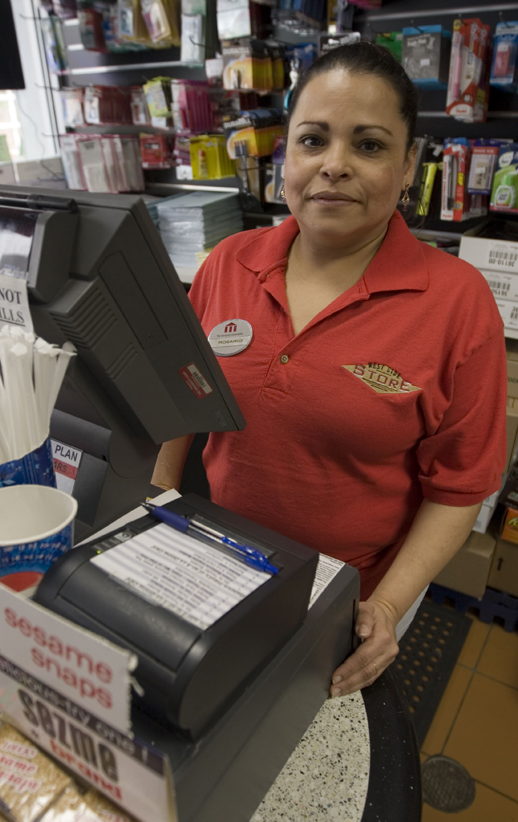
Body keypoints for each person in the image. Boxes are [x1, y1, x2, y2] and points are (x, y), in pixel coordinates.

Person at [152, 43, 507, 698]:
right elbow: (187, 389)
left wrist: (389, 608)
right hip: (220, 558)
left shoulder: (459, 304)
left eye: (369, 146)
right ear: (286, 153)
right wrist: (159, 495)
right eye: (313, 139)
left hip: (349, 594)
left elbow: (457, 488)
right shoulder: (227, 263)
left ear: (407, 167)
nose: (334, 166)